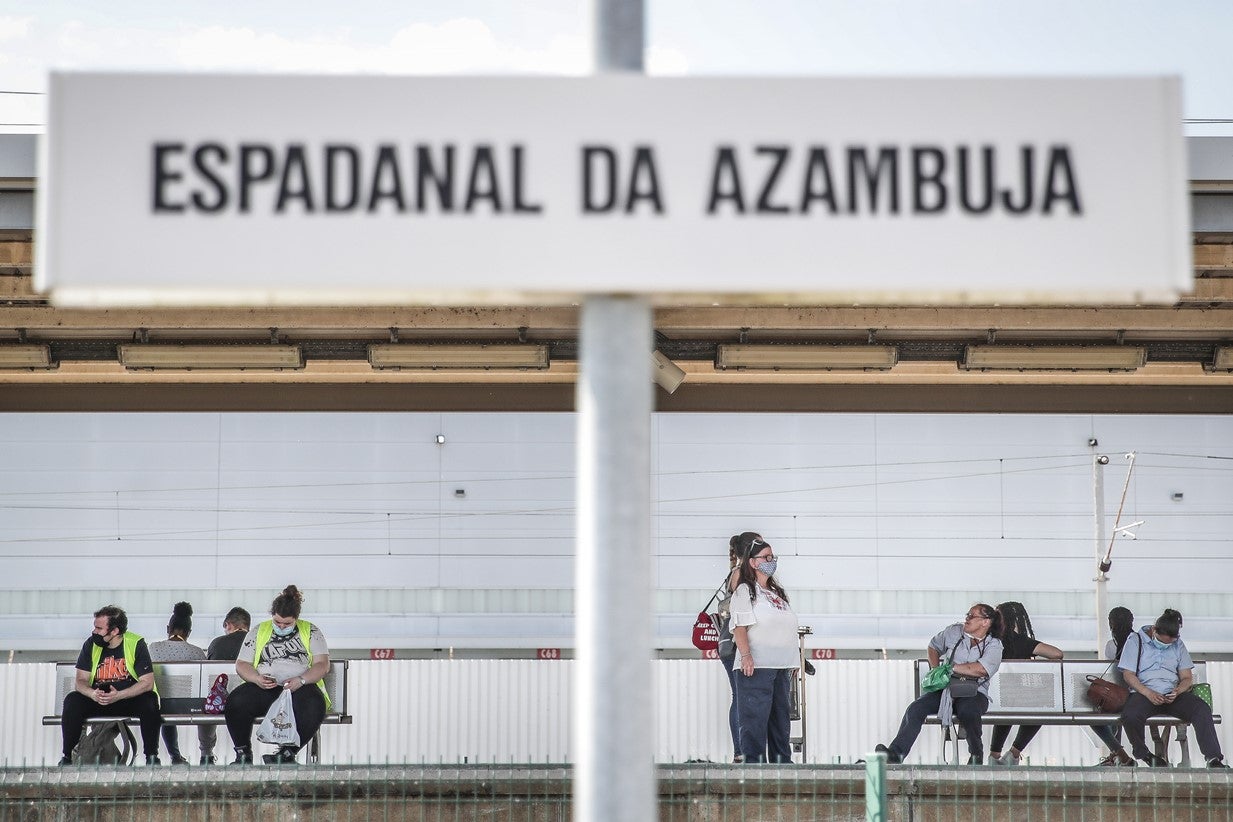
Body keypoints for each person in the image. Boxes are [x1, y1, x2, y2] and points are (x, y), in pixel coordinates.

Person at [876, 604, 1004, 765]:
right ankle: (895, 754)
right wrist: (936, 670)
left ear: (986, 622)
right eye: (967, 614)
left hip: (974, 692)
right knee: (916, 709)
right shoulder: (954, 632)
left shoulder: (994, 645)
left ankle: (976, 756)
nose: (967, 618)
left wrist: (951, 668)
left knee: (968, 711)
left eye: (972, 616)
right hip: (946, 689)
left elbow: (981, 669)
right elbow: (933, 647)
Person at [224, 585, 330, 765]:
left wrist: (301, 680)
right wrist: (257, 678)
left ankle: (286, 754)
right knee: (236, 702)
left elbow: (322, 665)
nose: (281, 627)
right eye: (277, 622)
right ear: (272, 615)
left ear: (296, 619)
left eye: (287, 624)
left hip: (299, 690)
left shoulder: (311, 631)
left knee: (314, 704)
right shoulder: (259, 631)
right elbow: (242, 664)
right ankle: (243, 753)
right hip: (266, 688)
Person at [1119, 608, 1227, 768]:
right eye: (1161, 642)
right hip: (1145, 693)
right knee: (1130, 715)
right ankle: (1144, 754)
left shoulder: (1178, 645)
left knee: (1201, 709)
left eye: (1169, 643)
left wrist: (1177, 691)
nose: (1165, 646)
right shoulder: (1136, 640)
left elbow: (1186, 678)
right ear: (1154, 630)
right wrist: (1148, 693)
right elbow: (1128, 675)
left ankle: (1213, 758)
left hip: (1171, 694)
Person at [59, 605, 163, 766]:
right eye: (95, 627)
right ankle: (67, 757)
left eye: (99, 628)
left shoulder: (135, 643)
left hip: (126, 699)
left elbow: (147, 683)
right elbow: (80, 681)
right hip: (99, 700)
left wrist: (119, 695)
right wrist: (92, 694)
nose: (94, 632)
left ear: (114, 631)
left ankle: (151, 757)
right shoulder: (91, 644)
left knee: (149, 700)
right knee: (72, 700)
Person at [729, 532, 799, 763]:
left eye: (772, 557)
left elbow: (786, 626)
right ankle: (753, 767)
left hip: (781, 665)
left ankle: (782, 765)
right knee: (754, 720)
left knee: (780, 720)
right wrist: (746, 655)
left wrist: (794, 660)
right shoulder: (745, 590)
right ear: (752, 562)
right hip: (757, 665)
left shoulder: (776, 592)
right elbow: (739, 626)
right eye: (766, 557)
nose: (771, 561)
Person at [989, 602, 1063, 767]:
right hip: (1018, 696)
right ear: (1016, 620)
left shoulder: (989, 640)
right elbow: (1057, 654)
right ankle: (1014, 753)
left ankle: (994, 755)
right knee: (1041, 707)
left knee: (1006, 707)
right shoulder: (1020, 641)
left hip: (992, 695)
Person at [147, 601, 206, 765]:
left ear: (168, 628)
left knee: (165, 701)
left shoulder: (153, 648)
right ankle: (207, 755)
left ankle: (174, 756)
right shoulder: (197, 652)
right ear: (189, 632)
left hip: (163, 705)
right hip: (194, 706)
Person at [200, 606, 252, 765]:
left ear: (228, 625)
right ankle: (242, 752)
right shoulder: (255, 642)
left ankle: (206, 754)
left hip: (219, 702)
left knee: (208, 701)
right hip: (248, 701)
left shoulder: (217, 643)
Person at [1092, 606, 1135, 766]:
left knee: (1097, 716)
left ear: (1111, 624)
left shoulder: (1112, 645)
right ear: (1132, 622)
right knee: (1115, 710)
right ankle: (1118, 755)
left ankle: (1118, 755)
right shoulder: (1140, 641)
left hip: (1123, 696)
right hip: (1141, 694)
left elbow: (1112, 674)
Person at [719, 535, 744, 762]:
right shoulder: (739, 574)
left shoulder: (735, 572)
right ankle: (741, 751)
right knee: (740, 695)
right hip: (735, 644)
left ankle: (741, 751)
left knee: (740, 695)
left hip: (729, 644)